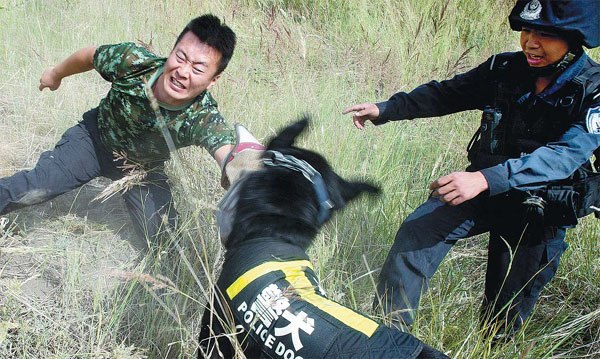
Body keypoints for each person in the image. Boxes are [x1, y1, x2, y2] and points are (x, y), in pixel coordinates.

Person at [343, 0, 600, 337]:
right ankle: (387, 339)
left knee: (501, 319)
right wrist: (387, 108)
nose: (530, 43)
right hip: (482, 190)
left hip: (540, 209)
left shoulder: (593, 89)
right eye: (526, 30)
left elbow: (564, 155)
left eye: (545, 34)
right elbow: (447, 94)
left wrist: (484, 178)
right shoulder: (505, 69)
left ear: (575, 38)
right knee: (416, 235)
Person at [0, 14, 263, 247]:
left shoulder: (203, 116)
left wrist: (253, 181)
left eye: (198, 69)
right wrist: (55, 74)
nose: (183, 72)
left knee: (164, 243)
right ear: (171, 52)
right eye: (180, 57)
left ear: (213, 80)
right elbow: (90, 56)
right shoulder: (132, 61)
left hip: (142, 170)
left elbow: (230, 155)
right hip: (93, 141)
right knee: (34, 188)